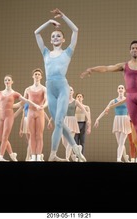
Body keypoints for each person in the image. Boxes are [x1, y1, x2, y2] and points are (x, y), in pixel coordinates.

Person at [80, 40, 137, 162]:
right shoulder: (124, 66)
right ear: (130, 50)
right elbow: (107, 68)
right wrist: (92, 69)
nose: (135, 50)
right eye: (133, 48)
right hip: (130, 97)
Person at [34, 8, 86, 162]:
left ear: (63, 40)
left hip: (62, 88)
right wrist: (49, 22)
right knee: (60, 124)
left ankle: (52, 154)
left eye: (58, 36)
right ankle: (76, 148)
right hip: (50, 88)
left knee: (57, 122)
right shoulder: (45, 53)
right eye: (53, 36)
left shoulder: (67, 53)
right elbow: (36, 33)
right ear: (50, 40)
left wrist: (63, 16)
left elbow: (75, 30)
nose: (55, 37)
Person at [94, 85, 131, 162]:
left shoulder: (128, 100)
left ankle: (118, 159)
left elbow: (132, 111)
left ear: (124, 90)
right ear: (117, 90)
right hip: (117, 120)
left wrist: (130, 117)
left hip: (125, 120)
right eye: (119, 88)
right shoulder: (113, 101)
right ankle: (125, 157)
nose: (120, 89)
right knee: (120, 143)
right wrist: (98, 119)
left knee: (121, 142)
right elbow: (105, 110)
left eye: (122, 88)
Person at [23, 68, 48, 162]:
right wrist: (10, 106)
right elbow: (22, 102)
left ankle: (38, 156)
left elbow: (47, 100)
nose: (37, 75)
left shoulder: (44, 89)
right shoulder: (28, 89)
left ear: (41, 77)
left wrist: (43, 106)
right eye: (35, 74)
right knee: (32, 135)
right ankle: (33, 157)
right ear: (33, 76)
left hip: (40, 112)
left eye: (38, 74)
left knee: (39, 135)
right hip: (30, 113)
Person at [62, 86, 91, 161]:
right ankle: (76, 153)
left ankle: (67, 158)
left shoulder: (76, 101)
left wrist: (89, 119)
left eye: (71, 90)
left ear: (73, 92)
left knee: (70, 141)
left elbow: (84, 110)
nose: (70, 91)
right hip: (65, 121)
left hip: (72, 121)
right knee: (64, 142)